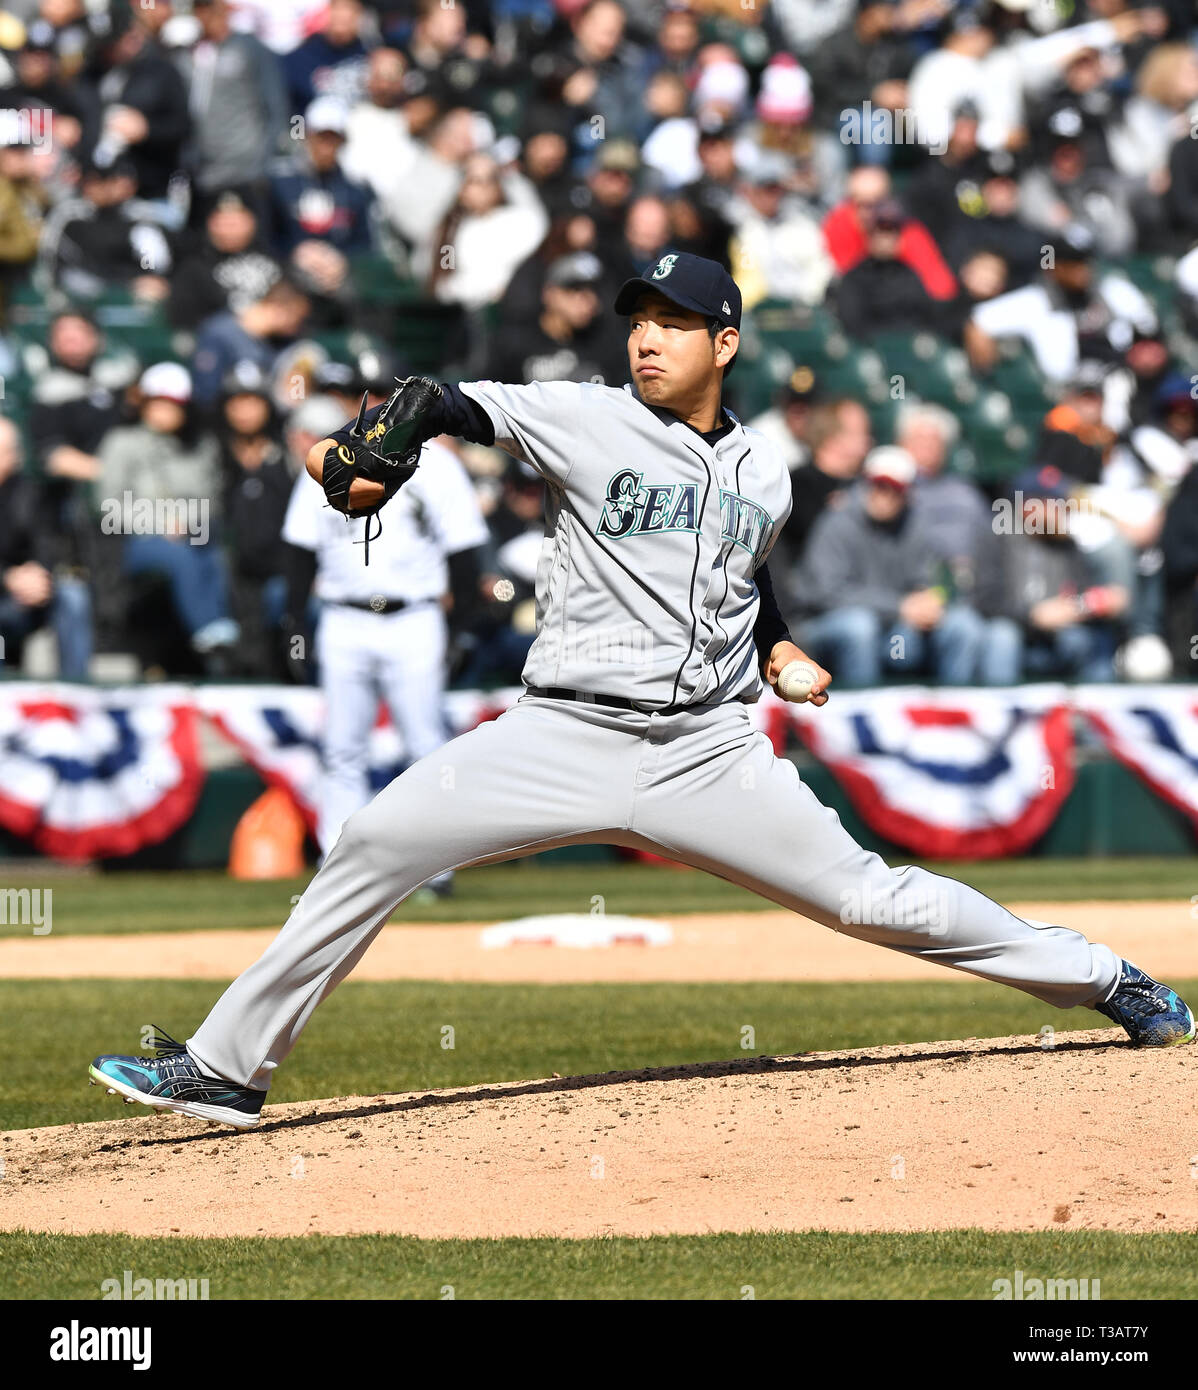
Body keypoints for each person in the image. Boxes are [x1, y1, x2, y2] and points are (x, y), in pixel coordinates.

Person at [88, 251, 1194, 1130]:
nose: (646, 337)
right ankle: (229, 1069)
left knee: (873, 901)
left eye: (670, 319)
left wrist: (778, 645)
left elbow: (736, 573)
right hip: (559, 730)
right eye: (636, 317)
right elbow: (445, 398)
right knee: (375, 838)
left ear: (725, 340)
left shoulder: (767, 467)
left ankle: (1105, 980)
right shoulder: (586, 416)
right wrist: (384, 441)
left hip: (707, 753)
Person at [278, 396, 488, 885]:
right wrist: (295, 625)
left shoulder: (438, 467)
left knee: (425, 746)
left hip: (414, 616)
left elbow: (465, 553)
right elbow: (298, 550)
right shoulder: (327, 458)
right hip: (343, 615)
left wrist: (462, 632)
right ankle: (336, 868)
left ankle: (435, 869)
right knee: (342, 748)